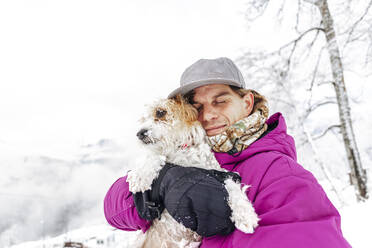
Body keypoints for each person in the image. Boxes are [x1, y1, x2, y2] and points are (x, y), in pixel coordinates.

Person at [104, 57, 351, 247]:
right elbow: (114, 212)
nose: (208, 115)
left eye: (220, 101)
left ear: (246, 103)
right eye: (196, 107)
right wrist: (159, 186)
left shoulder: (281, 174)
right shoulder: (179, 154)